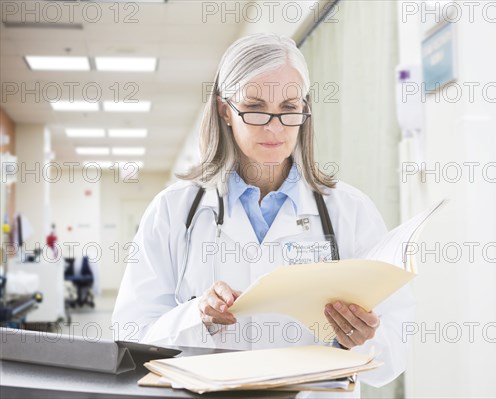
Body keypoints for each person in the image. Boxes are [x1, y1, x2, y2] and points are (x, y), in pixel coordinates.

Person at [112, 32, 415, 395]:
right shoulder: (173, 211)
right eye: (255, 107)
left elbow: (395, 351)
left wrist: (361, 338)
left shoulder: (350, 211)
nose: (274, 127)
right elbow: (130, 342)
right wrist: (196, 317)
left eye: (289, 109)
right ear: (226, 110)